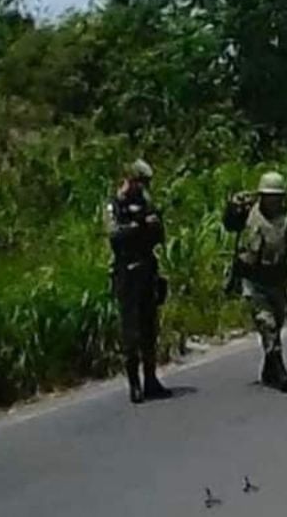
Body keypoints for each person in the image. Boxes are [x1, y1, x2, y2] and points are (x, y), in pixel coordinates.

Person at [227, 172, 287, 393]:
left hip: (278, 278)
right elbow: (229, 223)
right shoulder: (248, 215)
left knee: (277, 324)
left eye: (277, 197)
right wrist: (232, 207)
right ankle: (280, 371)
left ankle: (269, 369)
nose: (274, 201)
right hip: (254, 279)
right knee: (266, 323)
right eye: (270, 197)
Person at [106, 159, 171, 404]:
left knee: (149, 328)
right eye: (140, 182)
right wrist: (138, 225)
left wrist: (151, 224)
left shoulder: (146, 203)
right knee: (130, 331)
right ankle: (134, 384)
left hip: (147, 268)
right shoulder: (116, 206)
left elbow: (159, 234)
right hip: (126, 271)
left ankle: (151, 379)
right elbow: (115, 235)